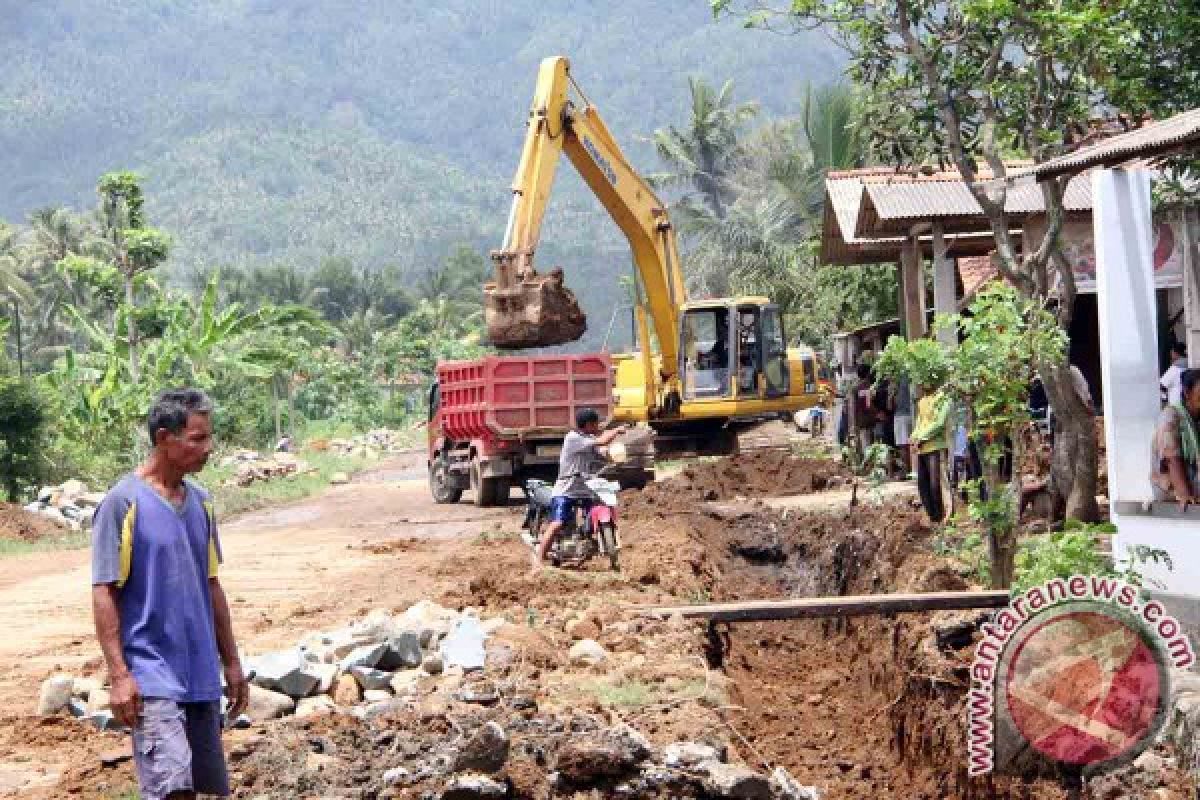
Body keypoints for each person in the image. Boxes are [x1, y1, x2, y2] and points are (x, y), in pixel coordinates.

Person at [92, 389, 247, 800]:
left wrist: (231, 662)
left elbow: (211, 585)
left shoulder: (202, 503)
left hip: (200, 675)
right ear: (165, 438)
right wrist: (120, 676)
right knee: (172, 787)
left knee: (209, 790)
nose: (208, 449)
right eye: (197, 439)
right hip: (151, 673)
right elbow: (104, 590)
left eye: (208, 437)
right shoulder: (123, 504)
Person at [532, 408, 627, 571]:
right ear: (589, 424)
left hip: (586, 489)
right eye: (596, 423)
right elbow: (602, 441)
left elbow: (602, 450)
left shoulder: (589, 439)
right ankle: (538, 562)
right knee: (557, 523)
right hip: (566, 490)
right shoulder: (573, 438)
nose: (598, 426)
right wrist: (616, 430)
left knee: (598, 510)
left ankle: (599, 549)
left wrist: (612, 455)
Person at [1151, 368, 1200, 506]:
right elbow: (1171, 458)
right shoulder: (1170, 416)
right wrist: (1184, 494)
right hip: (1173, 491)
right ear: (1187, 392)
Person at [910, 385, 950, 523]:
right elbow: (919, 422)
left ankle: (943, 517)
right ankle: (932, 517)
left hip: (936, 446)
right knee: (923, 484)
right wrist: (914, 436)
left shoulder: (943, 399)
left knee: (936, 484)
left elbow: (939, 423)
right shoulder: (922, 400)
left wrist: (921, 437)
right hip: (922, 447)